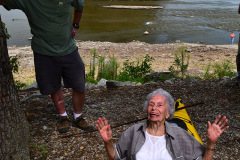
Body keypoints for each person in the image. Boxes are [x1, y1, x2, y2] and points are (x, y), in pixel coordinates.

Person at [0, 0, 95, 133]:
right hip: (43, 51)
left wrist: (75, 25)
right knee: (53, 86)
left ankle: (78, 117)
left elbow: (80, 6)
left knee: (79, 83)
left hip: (69, 49)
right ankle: (63, 117)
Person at [96, 88, 229, 160]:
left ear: (168, 113)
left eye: (160, 105)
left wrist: (211, 143)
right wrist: (108, 142)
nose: (154, 108)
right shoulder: (133, 131)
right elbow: (115, 157)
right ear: (147, 110)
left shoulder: (181, 136)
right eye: (151, 105)